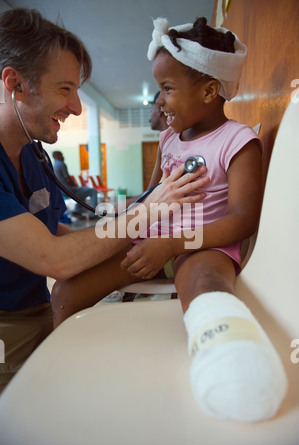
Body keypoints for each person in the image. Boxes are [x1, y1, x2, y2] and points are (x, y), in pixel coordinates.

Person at [51, 16, 288, 422]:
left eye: (168, 89)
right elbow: (149, 197)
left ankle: (233, 364)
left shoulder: (238, 141)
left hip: (203, 246)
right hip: (152, 241)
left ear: (211, 89)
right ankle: (58, 374)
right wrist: (129, 232)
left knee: (204, 282)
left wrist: (177, 244)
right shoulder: (167, 139)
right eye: (159, 88)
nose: (159, 102)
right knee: (67, 291)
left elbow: (244, 219)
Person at [0, 8, 209, 394]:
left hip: (39, 309)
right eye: (65, 89)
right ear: (15, 85)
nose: (77, 107)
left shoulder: (33, 155)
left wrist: (131, 242)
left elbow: (56, 232)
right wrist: (151, 208)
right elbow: (54, 258)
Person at [52, 150, 98, 220]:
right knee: (93, 191)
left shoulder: (54, 165)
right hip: (68, 189)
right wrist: (75, 185)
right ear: (57, 156)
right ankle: (93, 215)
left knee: (82, 193)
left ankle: (77, 212)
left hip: (61, 191)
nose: (63, 157)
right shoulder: (61, 164)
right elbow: (67, 179)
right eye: (61, 155)